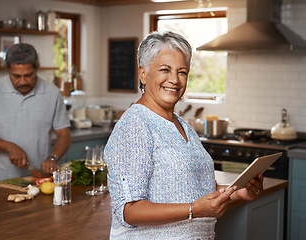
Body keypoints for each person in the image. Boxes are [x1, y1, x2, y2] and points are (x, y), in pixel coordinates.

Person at [104, 31, 263, 239]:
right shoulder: (135, 124)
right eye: (165, 69)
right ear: (143, 74)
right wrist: (193, 210)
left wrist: (237, 192)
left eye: (182, 72)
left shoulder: (182, 125)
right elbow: (128, 210)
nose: (175, 80)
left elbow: (193, 187)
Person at [0, 43, 71, 183]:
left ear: (37, 68)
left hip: (37, 179)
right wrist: (9, 147)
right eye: (16, 76)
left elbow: (64, 134)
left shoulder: (52, 92)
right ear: (8, 70)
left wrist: (52, 158)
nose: (23, 81)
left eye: (29, 75)